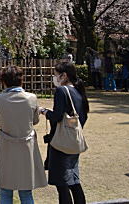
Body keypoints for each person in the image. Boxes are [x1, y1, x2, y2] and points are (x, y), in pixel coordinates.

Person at [0, 65, 47, 204]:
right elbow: (35, 121)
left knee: (5, 190)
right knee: (26, 191)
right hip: (27, 147)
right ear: (21, 80)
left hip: (6, 146)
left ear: (3, 81)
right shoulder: (32, 98)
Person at [40, 61, 89, 204]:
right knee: (73, 180)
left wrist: (44, 111)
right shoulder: (78, 91)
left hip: (60, 143)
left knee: (62, 184)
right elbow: (83, 117)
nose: (54, 78)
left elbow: (57, 116)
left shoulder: (62, 91)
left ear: (64, 76)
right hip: (74, 141)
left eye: (56, 75)